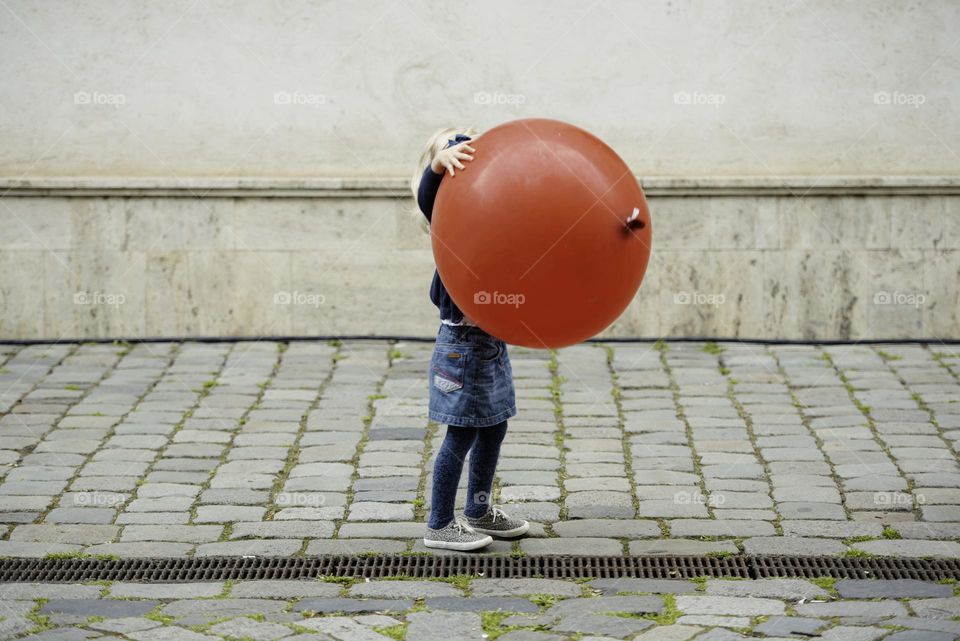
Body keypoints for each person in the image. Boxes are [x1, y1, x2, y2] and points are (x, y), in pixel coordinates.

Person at [412, 127, 531, 550]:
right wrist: (436, 167)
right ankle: (439, 524)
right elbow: (431, 195)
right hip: (461, 346)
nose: (462, 150)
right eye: (452, 147)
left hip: (490, 343)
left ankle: (478, 511)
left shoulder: (486, 215)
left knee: (494, 428)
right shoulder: (444, 215)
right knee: (460, 432)